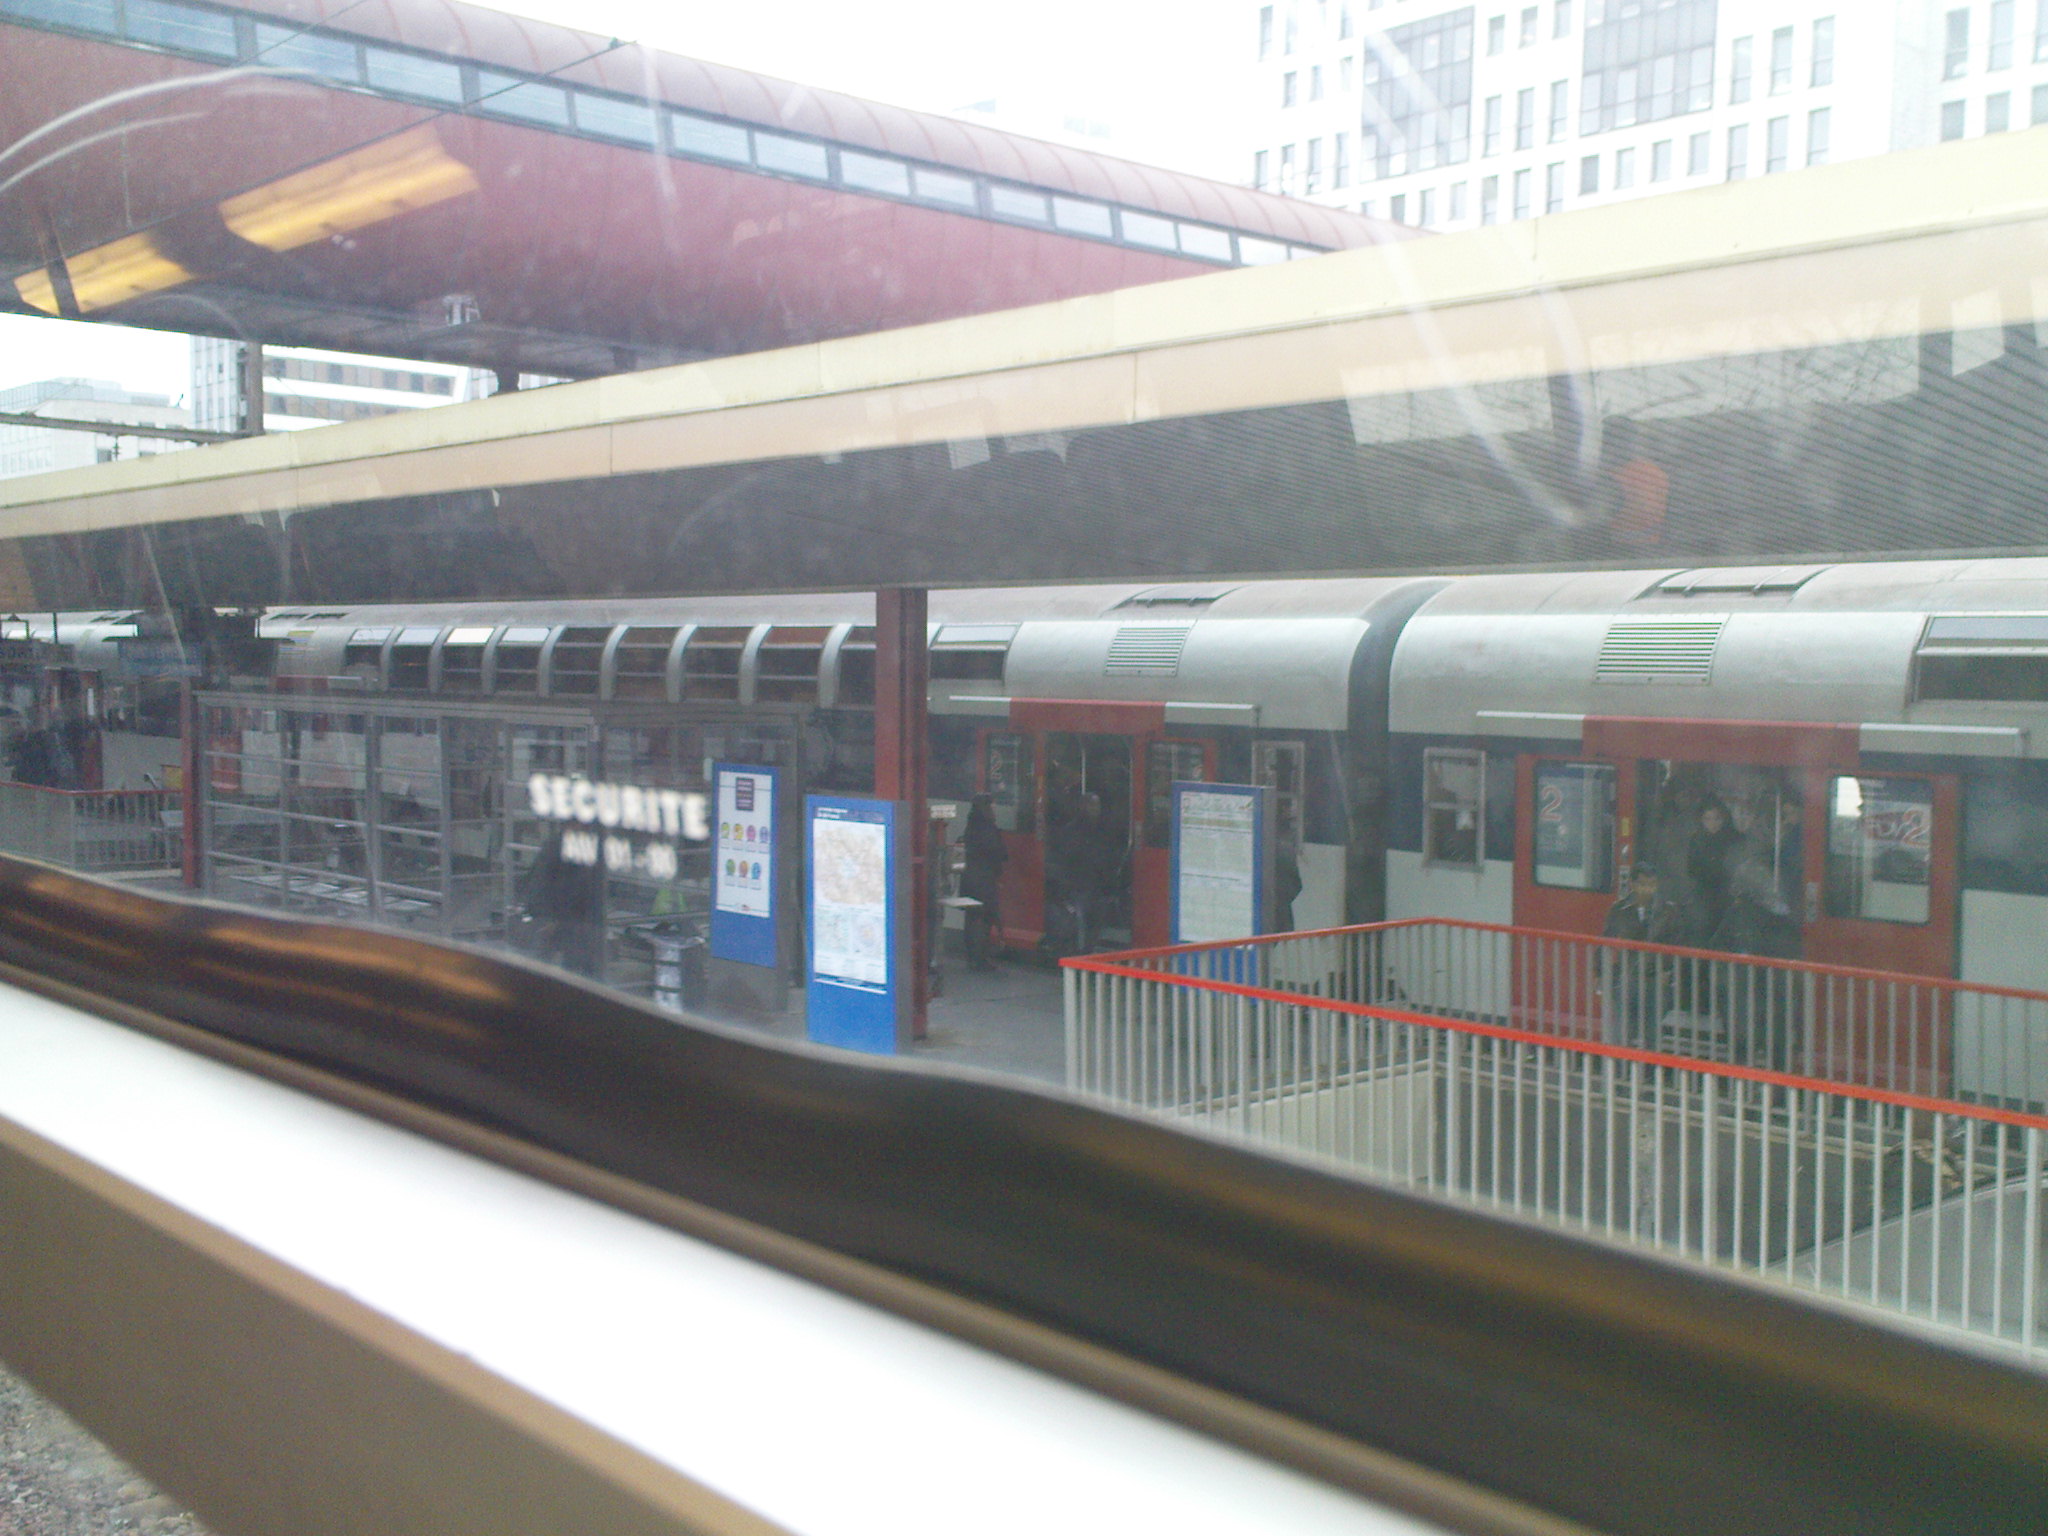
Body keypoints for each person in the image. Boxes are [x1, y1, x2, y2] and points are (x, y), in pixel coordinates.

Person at [1601, 861, 1686, 1047]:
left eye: (1652, 884)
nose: (1648, 889)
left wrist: (1668, 971)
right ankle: (1621, 1063)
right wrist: (1599, 972)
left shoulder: (1668, 911)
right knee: (1623, 1030)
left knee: (1652, 1032)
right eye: (1643, 884)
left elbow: (1676, 944)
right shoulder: (1619, 909)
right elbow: (1606, 940)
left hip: (1655, 978)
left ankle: (1648, 1064)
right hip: (1627, 975)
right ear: (1632, 884)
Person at [518, 825, 605, 980]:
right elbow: (541, 883)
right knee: (551, 962)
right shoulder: (561, 847)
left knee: (557, 963)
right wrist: (549, 918)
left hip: (571, 918)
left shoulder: (565, 845)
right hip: (565, 918)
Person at [1686, 796, 1746, 941]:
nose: (1712, 823)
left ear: (1724, 818)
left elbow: (1742, 869)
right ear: (1701, 820)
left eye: (1717, 818)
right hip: (1703, 899)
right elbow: (1691, 869)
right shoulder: (1696, 840)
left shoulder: (1735, 839)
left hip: (1729, 899)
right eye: (1707, 819)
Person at [959, 794, 1008, 970]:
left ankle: (973, 957)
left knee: (972, 918)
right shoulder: (987, 827)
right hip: (984, 879)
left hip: (971, 878)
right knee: (984, 918)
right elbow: (997, 852)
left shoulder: (972, 825)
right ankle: (980, 958)